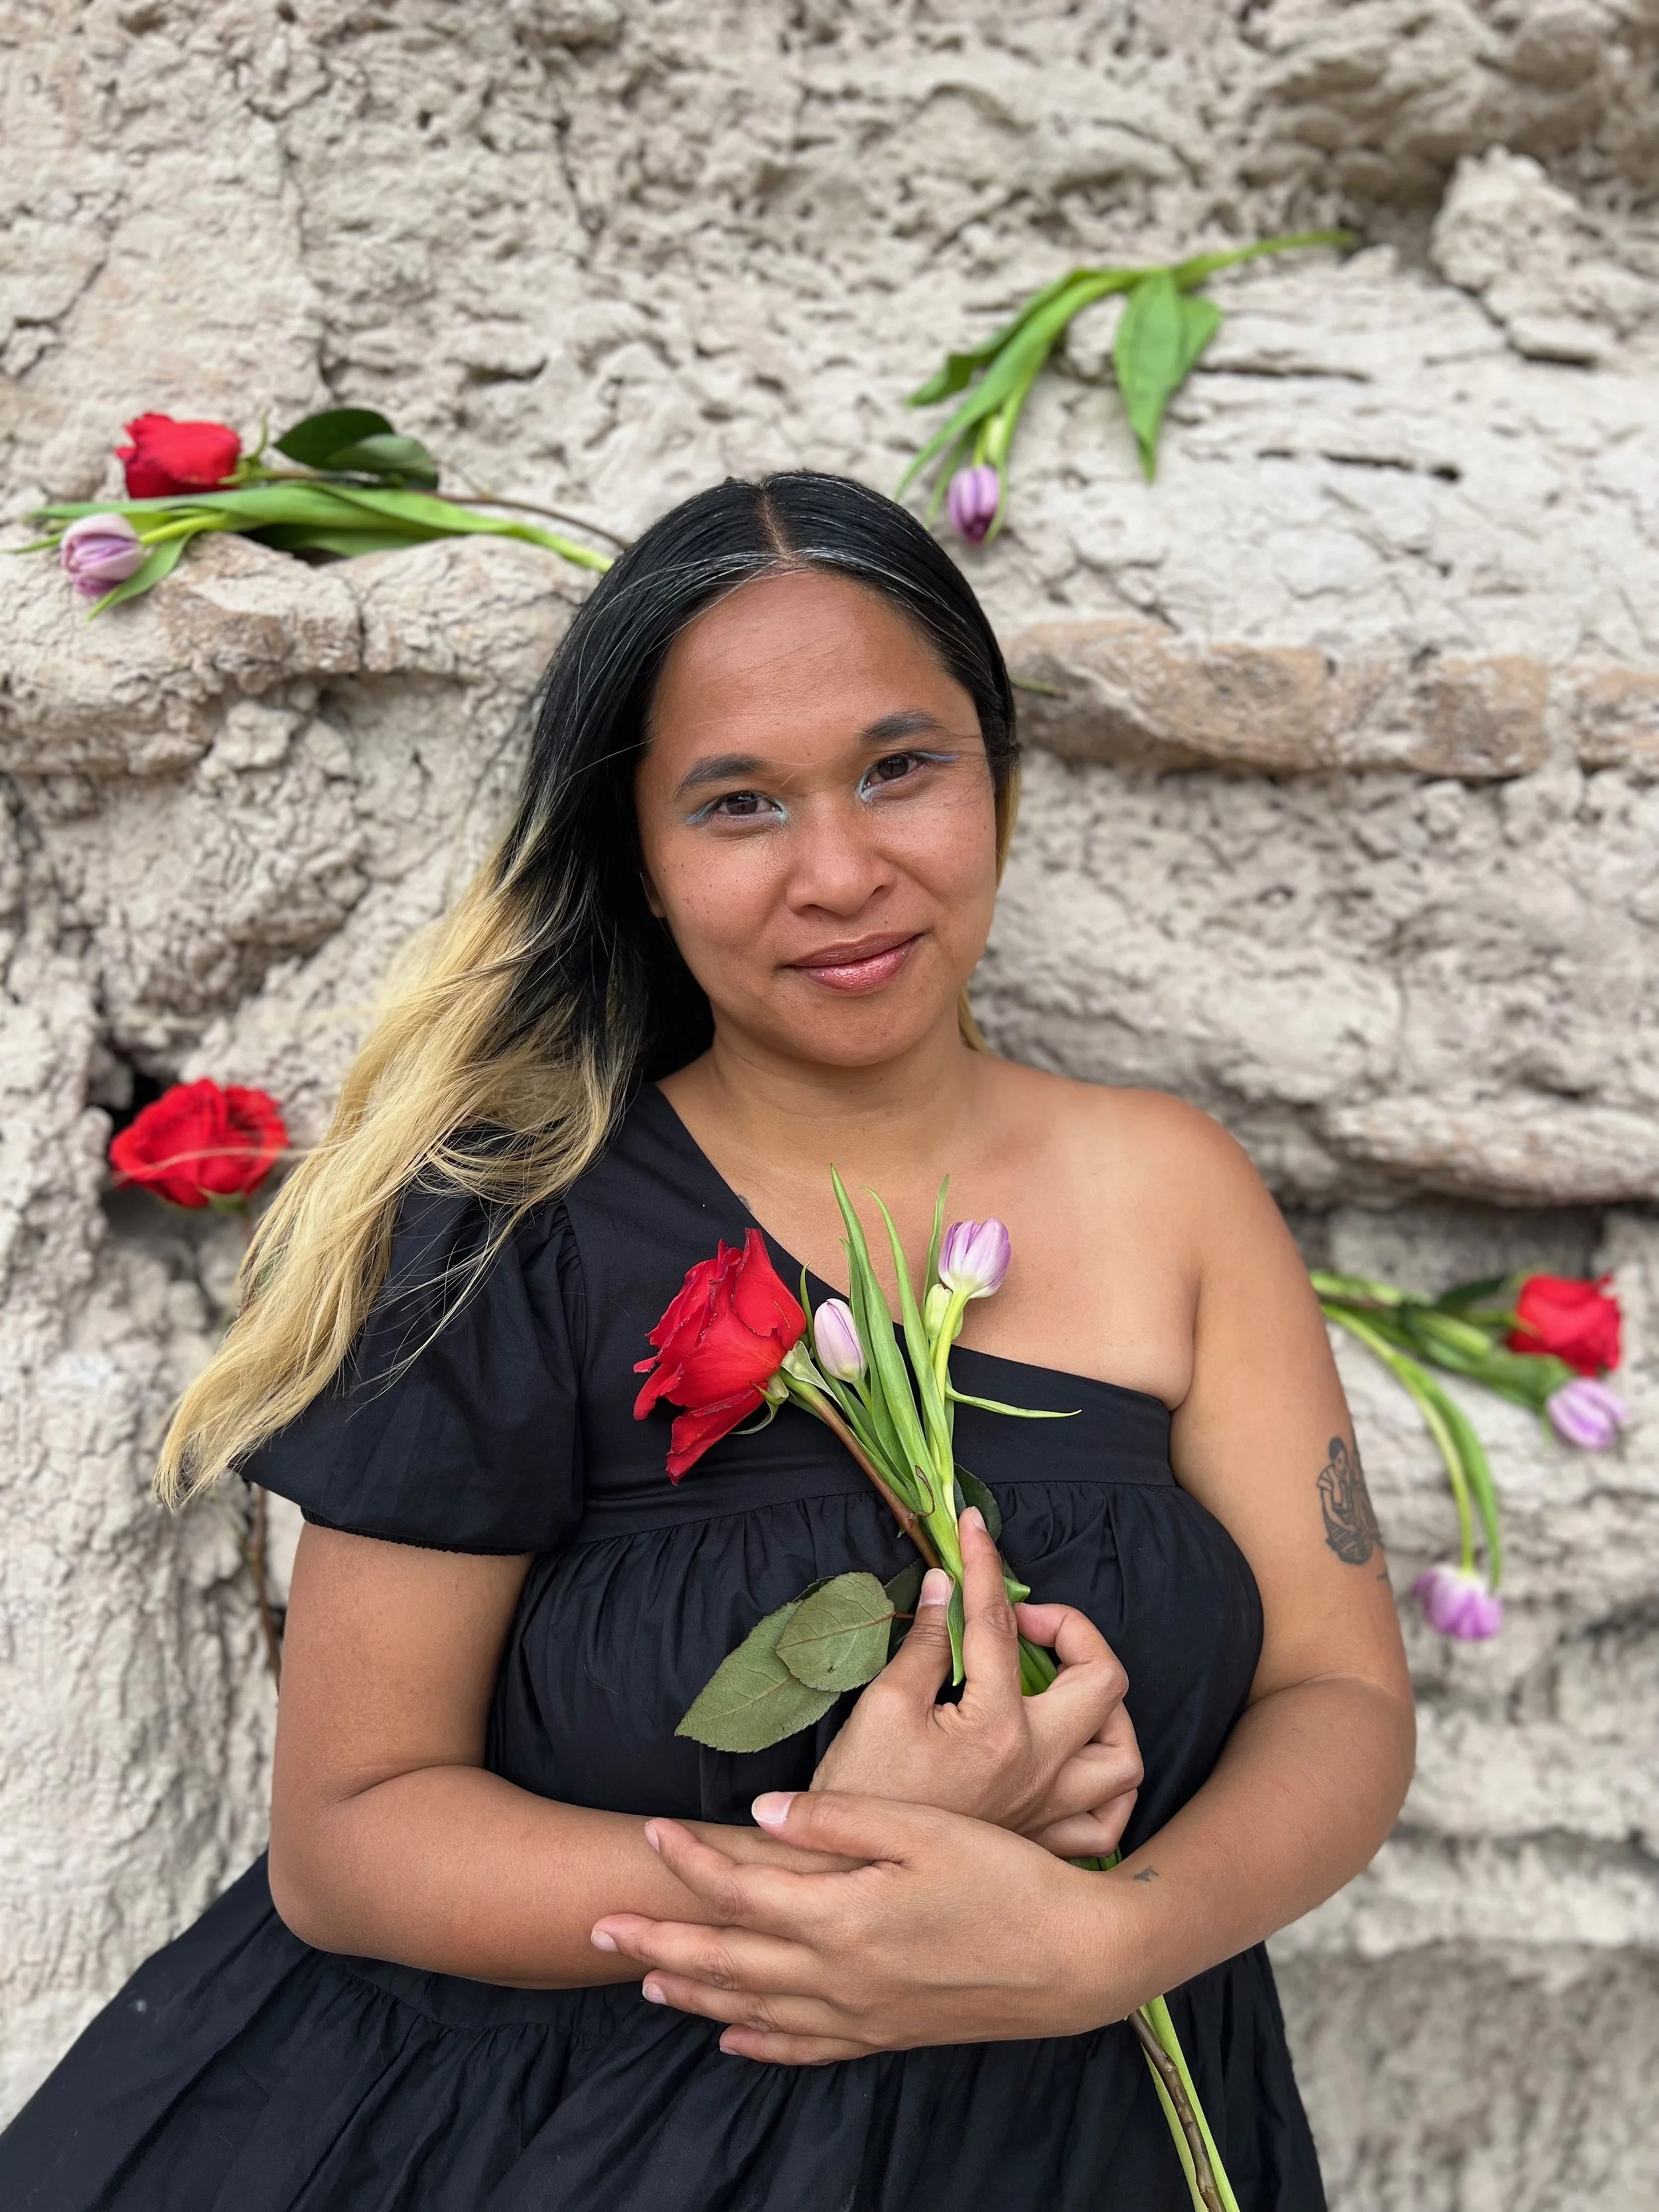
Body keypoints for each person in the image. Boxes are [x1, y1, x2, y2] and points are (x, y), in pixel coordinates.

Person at [0, 471, 1413, 2211]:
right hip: (594, 2149)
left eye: (902, 765)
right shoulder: (503, 1226)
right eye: (737, 804)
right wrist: (839, 1871)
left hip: (1082, 2144)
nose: (841, 870)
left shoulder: (1174, 1192)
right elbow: (351, 1832)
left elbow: (1338, 1696)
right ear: (642, 865)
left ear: (997, 777)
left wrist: (1102, 1943)